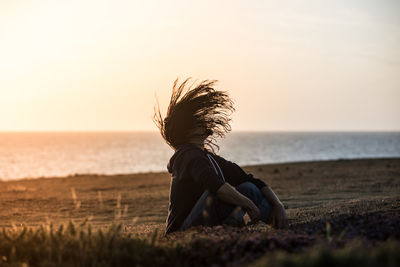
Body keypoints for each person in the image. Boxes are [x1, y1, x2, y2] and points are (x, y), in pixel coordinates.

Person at [154, 78, 288, 234]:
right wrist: (249, 205)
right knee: (225, 195)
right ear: (188, 131)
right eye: (198, 121)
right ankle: (264, 228)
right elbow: (217, 187)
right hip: (182, 231)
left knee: (248, 188)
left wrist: (278, 205)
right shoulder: (188, 156)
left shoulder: (207, 158)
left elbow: (251, 180)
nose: (204, 122)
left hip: (203, 220)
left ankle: (278, 223)